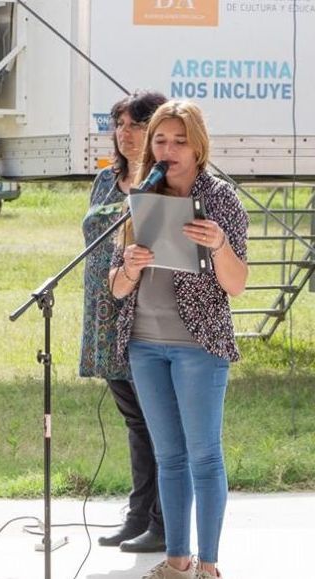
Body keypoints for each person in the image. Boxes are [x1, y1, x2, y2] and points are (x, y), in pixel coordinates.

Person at [109, 100, 249, 579]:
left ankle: (208, 566)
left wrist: (219, 245)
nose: (168, 150)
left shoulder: (221, 198)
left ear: (198, 144)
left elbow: (236, 284)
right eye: (160, 141)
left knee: (203, 455)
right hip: (144, 344)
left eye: (178, 141)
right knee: (168, 456)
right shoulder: (143, 191)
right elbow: (116, 285)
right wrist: (127, 268)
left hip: (198, 346)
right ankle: (177, 561)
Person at [81, 91, 168, 553]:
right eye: (119, 125)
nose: (125, 134)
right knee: (135, 421)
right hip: (104, 311)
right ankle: (138, 515)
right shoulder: (105, 180)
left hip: (143, 314)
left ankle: (161, 520)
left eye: (135, 125)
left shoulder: (163, 184)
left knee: (157, 421)